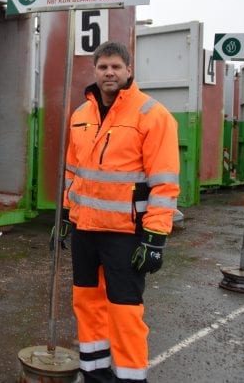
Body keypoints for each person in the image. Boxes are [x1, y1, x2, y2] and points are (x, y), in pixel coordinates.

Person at [62, 41, 180, 383]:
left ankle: (131, 378)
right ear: (94, 71)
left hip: (125, 234)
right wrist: (68, 217)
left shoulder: (152, 115)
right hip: (85, 230)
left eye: (116, 66)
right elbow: (74, 173)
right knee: (87, 305)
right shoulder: (80, 115)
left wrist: (156, 238)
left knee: (125, 313)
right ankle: (95, 373)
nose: (109, 72)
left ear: (129, 70)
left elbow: (165, 183)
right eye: (103, 67)